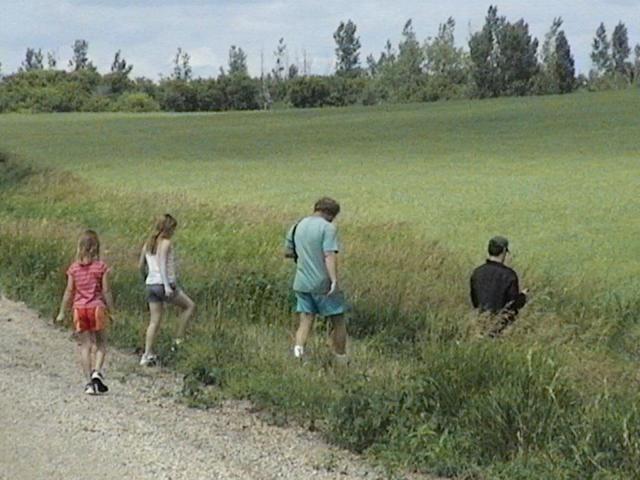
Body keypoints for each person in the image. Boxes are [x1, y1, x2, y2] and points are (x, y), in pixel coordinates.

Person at [284, 197, 348, 362]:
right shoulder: (328, 228)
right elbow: (329, 254)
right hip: (322, 284)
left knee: (305, 320)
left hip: (301, 282)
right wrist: (334, 280)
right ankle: (340, 358)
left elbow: (289, 252)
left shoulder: (297, 226)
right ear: (331, 214)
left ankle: (298, 355)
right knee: (338, 320)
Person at [56, 230, 114, 395]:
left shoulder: (73, 269)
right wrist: (112, 310)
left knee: (85, 346)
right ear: (96, 248)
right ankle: (97, 371)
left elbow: (69, 291)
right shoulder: (101, 267)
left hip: (79, 309)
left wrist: (61, 311)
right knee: (101, 343)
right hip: (96, 308)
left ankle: (89, 383)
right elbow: (106, 291)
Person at [138, 214, 195, 366]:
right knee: (189, 306)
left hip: (151, 284)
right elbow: (162, 264)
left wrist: (147, 278)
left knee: (154, 321)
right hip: (164, 283)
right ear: (168, 229)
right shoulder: (166, 243)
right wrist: (167, 286)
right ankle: (178, 340)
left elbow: (140, 266)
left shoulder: (148, 244)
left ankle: (147, 354)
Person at [470, 236, 528, 337]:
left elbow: (475, 300)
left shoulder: (477, 273)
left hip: (480, 327)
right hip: (502, 329)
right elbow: (512, 305)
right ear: (504, 251)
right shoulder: (509, 275)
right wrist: (523, 296)